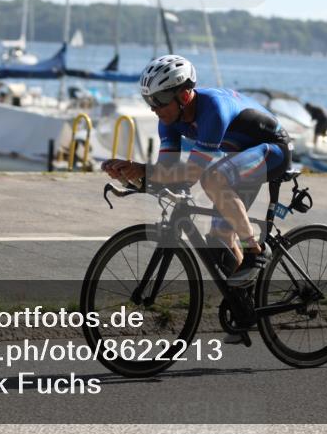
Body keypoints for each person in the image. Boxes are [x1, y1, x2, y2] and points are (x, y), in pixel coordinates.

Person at [103, 54, 292, 289]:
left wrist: (142, 169)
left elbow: (192, 173)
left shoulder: (213, 111)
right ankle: (246, 301)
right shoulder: (168, 120)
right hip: (240, 158)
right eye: (149, 100)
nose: (154, 108)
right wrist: (133, 177)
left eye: (159, 100)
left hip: (274, 150)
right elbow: (167, 171)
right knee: (219, 242)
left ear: (184, 95)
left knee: (213, 179)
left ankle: (254, 250)